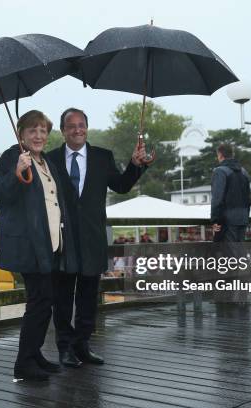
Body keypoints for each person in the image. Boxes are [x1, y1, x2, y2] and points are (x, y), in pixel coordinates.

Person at [47, 107, 147, 368]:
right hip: (63, 240)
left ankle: (82, 345)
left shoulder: (103, 157)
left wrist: (136, 165)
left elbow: (122, 186)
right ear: (63, 131)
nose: (77, 129)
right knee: (63, 298)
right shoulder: (50, 160)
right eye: (71, 126)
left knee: (89, 297)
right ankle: (65, 348)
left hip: (92, 238)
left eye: (81, 124)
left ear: (86, 128)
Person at [0, 110, 78, 381]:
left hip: (52, 244)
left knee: (45, 301)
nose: (39, 136)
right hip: (30, 246)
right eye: (32, 131)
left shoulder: (46, 162)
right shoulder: (12, 157)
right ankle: (23, 363)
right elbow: (0, 194)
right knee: (39, 301)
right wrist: (16, 173)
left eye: (43, 131)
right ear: (21, 134)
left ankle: (34, 354)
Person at [210, 144, 251, 242]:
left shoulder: (220, 171)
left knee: (231, 253)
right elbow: (248, 198)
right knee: (240, 251)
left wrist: (215, 220)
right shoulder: (243, 172)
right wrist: (246, 215)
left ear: (220, 155)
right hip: (243, 218)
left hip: (227, 220)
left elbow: (217, 198)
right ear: (232, 154)